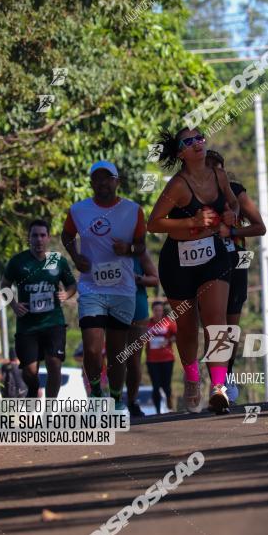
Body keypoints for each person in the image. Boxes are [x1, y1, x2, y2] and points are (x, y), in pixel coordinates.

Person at [147, 128, 239, 414]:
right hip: (179, 262)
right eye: (189, 142)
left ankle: (219, 387)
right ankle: (191, 377)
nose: (197, 143)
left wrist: (232, 213)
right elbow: (154, 223)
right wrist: (192, 222)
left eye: (199, 137)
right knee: (187, 329)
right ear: (180, 154)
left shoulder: (218, 176)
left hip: (213, 257)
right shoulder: (178, 185)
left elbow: (232, 201)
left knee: (217, 322)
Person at [61, 160, 146, 412]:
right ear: (91, 183)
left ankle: (117, 400)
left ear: (117, 182)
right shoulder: (78, 210)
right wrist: (76, 257)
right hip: (91, 288)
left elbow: (141, 246)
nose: (102, 183)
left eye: (107, 178)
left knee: (118, 351)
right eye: (97, 178)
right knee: (92, 348)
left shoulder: (133, 210)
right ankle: (97, 394)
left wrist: (127, 249)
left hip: (122, 289)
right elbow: (66, 236)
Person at [205, 149, 266, 403]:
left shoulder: (236, 191)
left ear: (223, 169)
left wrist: (231, 232)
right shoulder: (192, 193)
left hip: (235, 258)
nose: (210, 170)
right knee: (212, 325)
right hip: (204, 261)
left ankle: (226, 375)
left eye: (215, 166)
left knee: (230, 325)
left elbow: (260, 227)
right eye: (205, 166)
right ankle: (216, 383)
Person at [1, 219, 77, 397]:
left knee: (54, 362)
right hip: (28, 325)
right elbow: (4, 286)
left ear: (48, 238)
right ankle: (34, 390)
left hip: (53, 322)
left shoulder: (57, 261)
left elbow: (72, 285)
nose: (39, 239)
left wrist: (67, 294)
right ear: (29, 238)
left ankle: (49, 410)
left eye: (43, 235)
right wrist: (13, 305)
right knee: (30, 371)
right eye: (34, 235)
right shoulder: (18, 262)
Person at [127, 250, 159, 417]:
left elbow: (154, 279)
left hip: (137, 312)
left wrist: (137, 278)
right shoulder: (105, 249)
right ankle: (114, 399)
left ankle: (132, 401)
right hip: (110, 310)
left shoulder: (139, 253)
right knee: (114, 359)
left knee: (133, 361)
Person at [145, 299, 177, 413]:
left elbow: (176, 335)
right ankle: (158, 410)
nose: (158, 312)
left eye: (160, 310)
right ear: (152, 311)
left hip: (167, 358)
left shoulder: (168, 322)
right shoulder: (147, 324)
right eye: (155, 310)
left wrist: (168, 340)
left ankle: (169, 400)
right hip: (152, 360)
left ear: (162, 311)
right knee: (156, 386)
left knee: (166, 385)